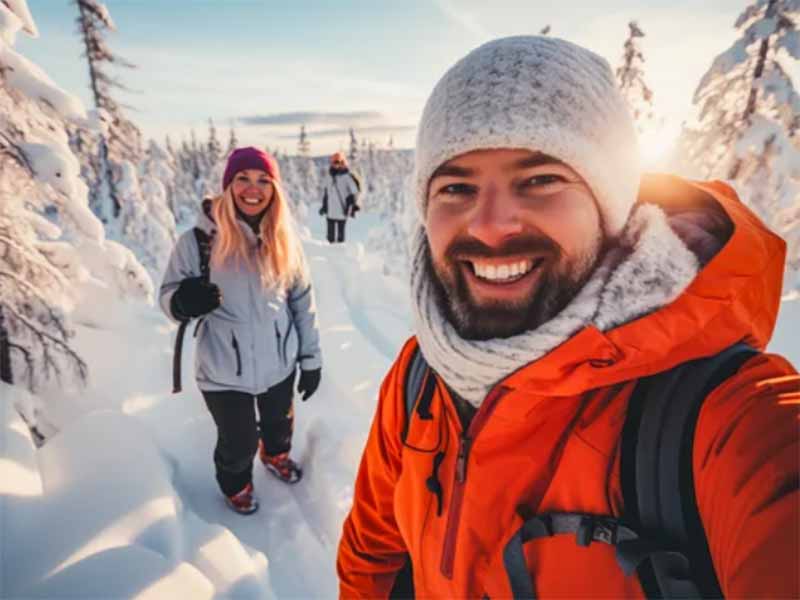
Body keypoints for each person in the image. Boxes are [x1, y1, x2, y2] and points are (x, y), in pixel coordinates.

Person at [336, 36, 799, 598]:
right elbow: (372, 555)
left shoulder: (723, 419)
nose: (489, 225)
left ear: (610, 207)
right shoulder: (420, 374)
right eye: (456, 187)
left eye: (539, 181)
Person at [160, 147, 322, 515]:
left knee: (280, 425)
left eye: (264, 180)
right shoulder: (198, 241)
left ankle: (276, 454)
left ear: (275, 189)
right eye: (243, 179)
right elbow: (168, 295)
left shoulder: (284, 239)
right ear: (228, 185)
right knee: (238, 442)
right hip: (222, 370)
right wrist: (183, 302)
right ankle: (236, 484)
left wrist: (311, 359)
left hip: (280, 362)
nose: (254, 188)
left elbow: (302, 301)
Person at [320, 151, 360, 243]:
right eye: (334, 162)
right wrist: (324, 207)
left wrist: (351, 204)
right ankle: (330, 255)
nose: (335, 165)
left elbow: (355, 191)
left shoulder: (347, 177)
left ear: (343, 162)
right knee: (330, 238)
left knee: (340, 238)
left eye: (337, 162)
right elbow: (327, 193)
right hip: (330, 212)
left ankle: (341, 255)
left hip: (342, 210)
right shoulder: (329, 176)